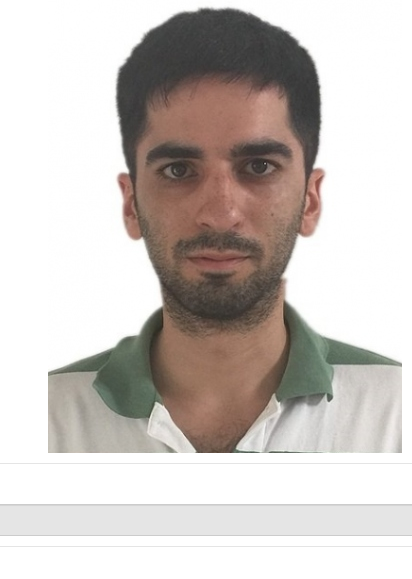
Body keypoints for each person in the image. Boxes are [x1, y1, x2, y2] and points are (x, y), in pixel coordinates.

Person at [48, 8, 401, 453]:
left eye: (259, 167)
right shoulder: (44, 417)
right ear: (131, 203)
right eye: (178, 170)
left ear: (309, 201)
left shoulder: (394, 411)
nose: (220, 214)